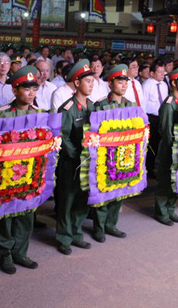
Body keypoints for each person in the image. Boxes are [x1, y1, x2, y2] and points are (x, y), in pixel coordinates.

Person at [0, 66, 43, 274]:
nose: (31, 93)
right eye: (26, 89)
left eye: (34, 89)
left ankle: (20, 252)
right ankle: (5, 254)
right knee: (5, 214)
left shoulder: (40, 114)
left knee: (26, 214)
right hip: (6, 173)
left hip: (31, 173)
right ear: (15, 91)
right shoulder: (0, 114)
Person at [56, 59, 95, 255]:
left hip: (88, 162)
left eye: (92, 81)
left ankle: (77, 233)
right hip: (71, 163)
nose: (91, 84)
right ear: (77, 83)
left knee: (83, 198)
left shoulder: (92, 106)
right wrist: (77, 155)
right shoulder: (67, 108)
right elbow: (62, 137)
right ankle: (64, 237)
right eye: (87, 81)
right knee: (67, 200)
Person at [92, 64, 132, 239]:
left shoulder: (130, 105)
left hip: (124, 154)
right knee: (104, 191)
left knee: (119, 190)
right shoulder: (100, 105)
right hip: (105, 155)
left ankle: (111, 224)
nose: (124, 85)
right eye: (120, 82)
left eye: (126, 82)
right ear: (110, 83)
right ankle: (99, 227)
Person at [154, 64, 178, 225]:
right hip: (168, 149)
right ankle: (161, 212)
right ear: (174, 83)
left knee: (176, 180)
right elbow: (165, 131)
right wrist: (175, 149)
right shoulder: (169, 104)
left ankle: (171, 209)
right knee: (164, 181)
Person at [142, 60, 168, 177]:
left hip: (161, 117)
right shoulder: (147, 85)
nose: (162, 74)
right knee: (150, 145)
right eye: (159, 72)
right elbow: (143, 104)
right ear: (152, 73)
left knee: (158, 143)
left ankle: (154, 167)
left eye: (163, 72)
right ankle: (147, 168)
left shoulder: (164, 85)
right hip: (150, 118)